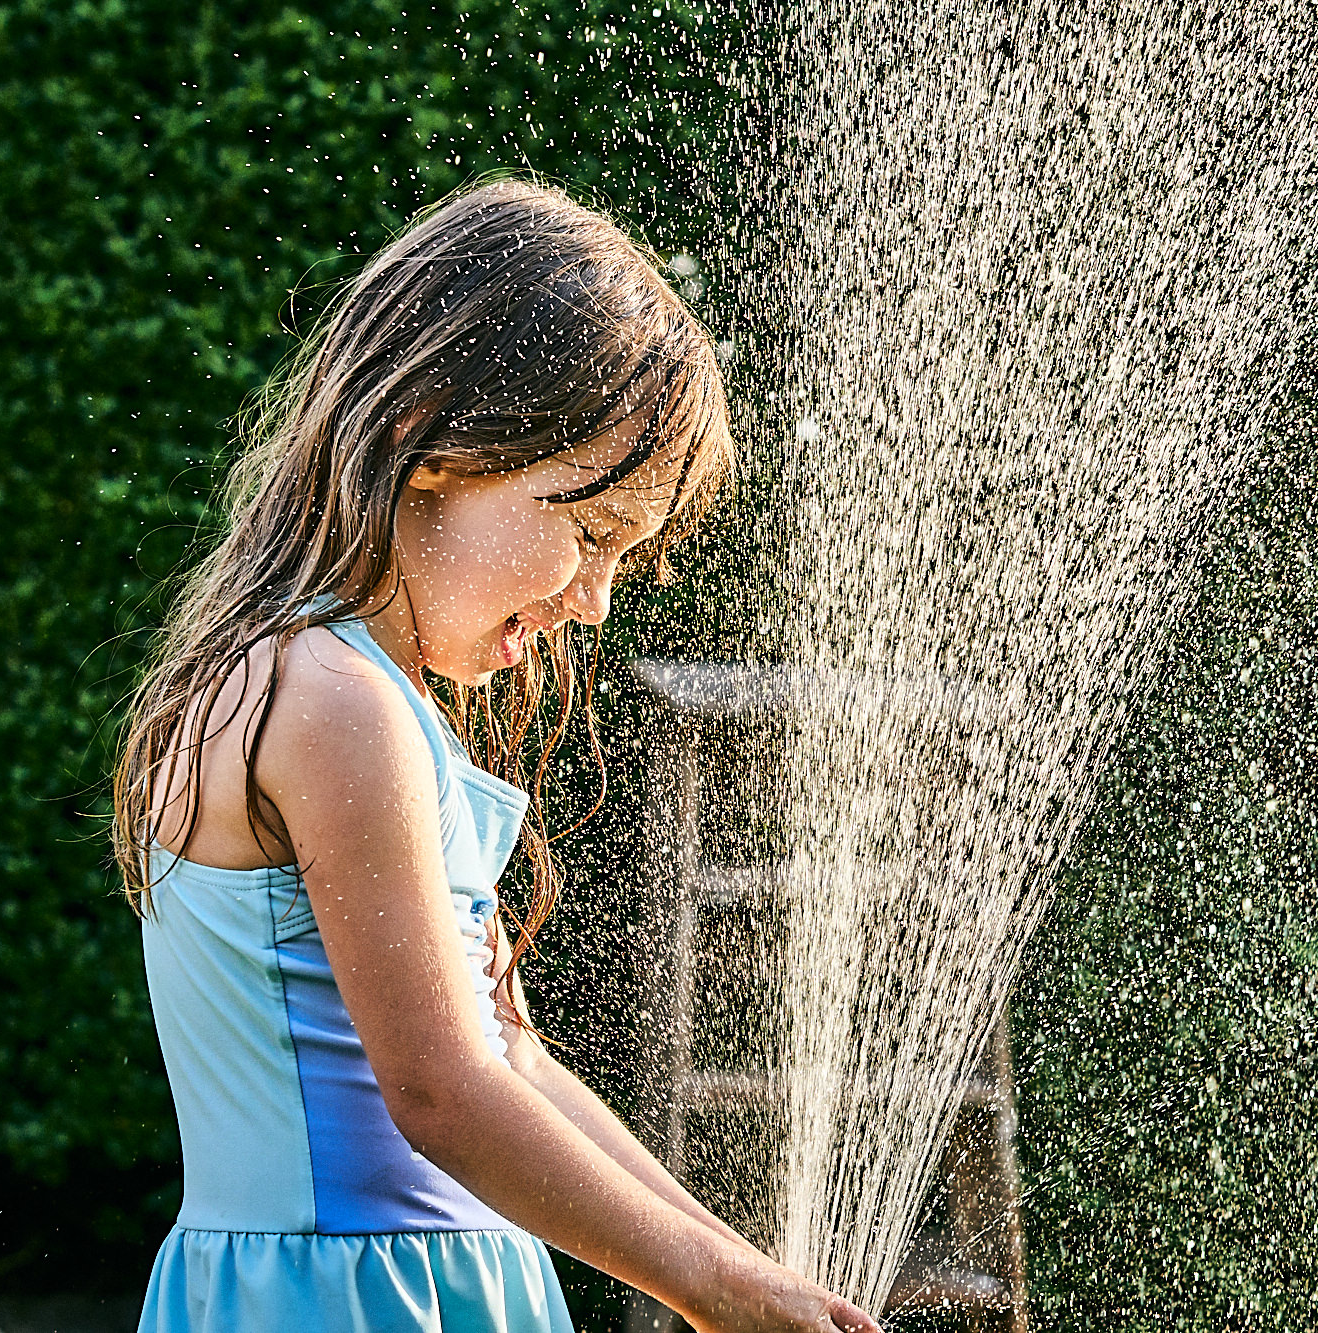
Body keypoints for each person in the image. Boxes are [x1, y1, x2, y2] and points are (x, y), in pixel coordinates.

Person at [110, 178, 881, 1333]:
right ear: (438, 440)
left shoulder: (326, 687)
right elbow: (443, 1096)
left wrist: (745, 1277)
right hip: (362, 1299)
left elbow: (508, 1055)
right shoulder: (332, 706)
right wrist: (710, 1286)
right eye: (587, 531)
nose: (596, 599)